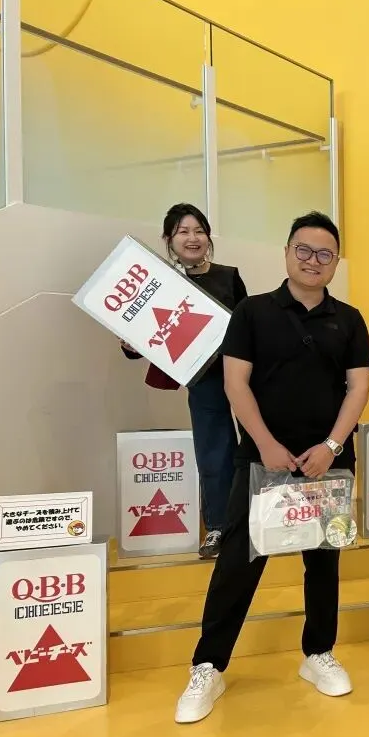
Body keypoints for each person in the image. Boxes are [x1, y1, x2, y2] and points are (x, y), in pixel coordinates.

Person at [174, 211, 369, 723]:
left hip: (327, 461)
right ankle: (208, 665)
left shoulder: (349, 319)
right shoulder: (252, 312)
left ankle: (318, 652)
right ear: (287, 253)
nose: (313, 261)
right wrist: (265, 444)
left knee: (323, 562)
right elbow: (235, 383)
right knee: (237, 564)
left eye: (325, 254)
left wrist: (332, 445)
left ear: (335, 262)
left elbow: (358, 387)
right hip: (262, 459)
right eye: (304, 250)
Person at [121, 203, 247, 559]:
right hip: (203, 380)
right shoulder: (158, 283)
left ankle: (259, 520)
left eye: (199, 231)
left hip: (242, 374)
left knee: (255, 445)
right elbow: (142, 339)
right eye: (183, 232)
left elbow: (249, 325)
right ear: (169, 239)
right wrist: (131, 344)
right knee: (214, 452)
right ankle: (220, 527)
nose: (193, 238)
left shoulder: (229, 276)